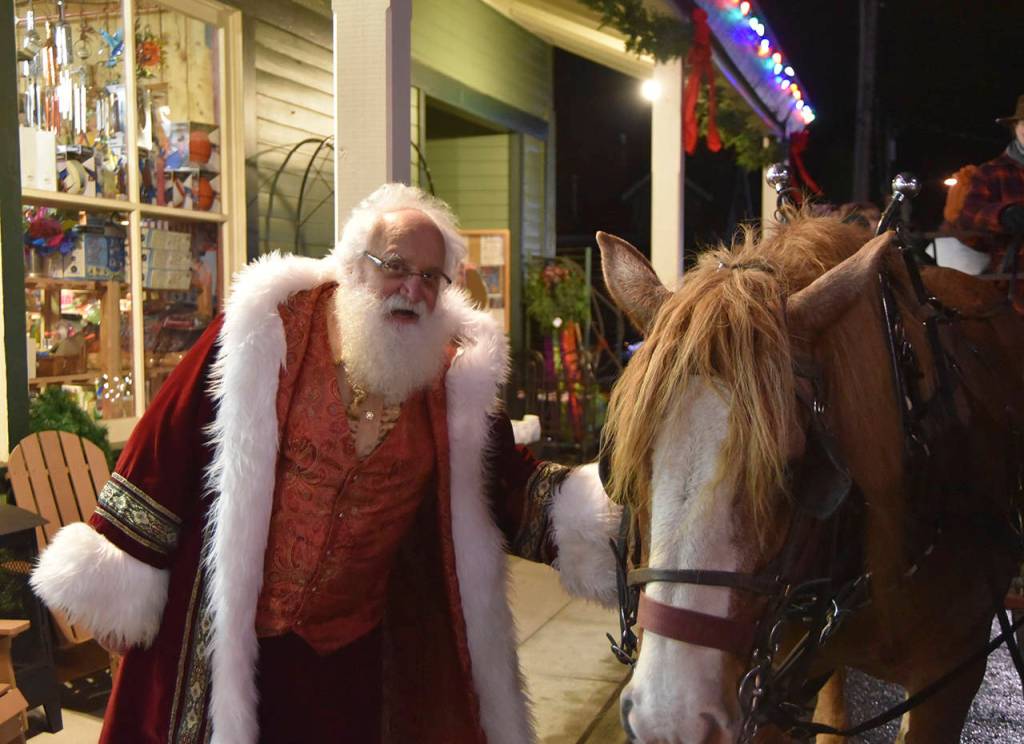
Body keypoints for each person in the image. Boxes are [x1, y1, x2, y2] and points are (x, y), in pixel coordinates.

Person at [30, 184, 620, 744]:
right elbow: (167, 442)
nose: (410, 289)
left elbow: (505, 483)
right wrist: (124, 564)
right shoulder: (266, 332)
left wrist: (600, 509)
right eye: (394, 265)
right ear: (352, 264)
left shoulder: (451, 380)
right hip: (229, 641)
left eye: (428, 277)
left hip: (351, 660)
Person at [956, 94, 1024, 279]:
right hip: (1013, 282)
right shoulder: (991, 172)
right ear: (1015, 127)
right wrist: (1003, 214)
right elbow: (968, 217)